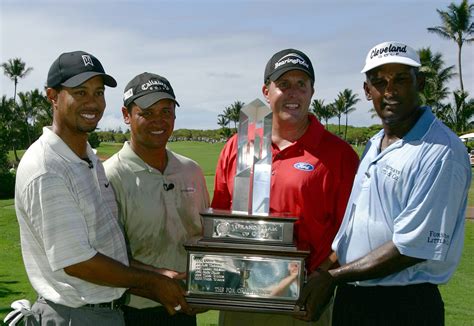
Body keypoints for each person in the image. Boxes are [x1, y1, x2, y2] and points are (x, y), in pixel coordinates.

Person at [296, 41, 471, 326]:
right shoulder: (375, 143)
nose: (390, 90)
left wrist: (332, 278)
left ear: (420, 82)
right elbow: (356, 230)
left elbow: (411, 248)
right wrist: (322, 273)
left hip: (404, 305)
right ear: (367, 91)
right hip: (356, 299)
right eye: (379, 82)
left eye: (401, 79)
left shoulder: (442, 151)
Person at [14, 51, 191, 325]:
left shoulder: (87, 159)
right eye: (80, 92)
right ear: (52, 96)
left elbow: (109, 250)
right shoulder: (47, 168)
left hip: (102, 312)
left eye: (98, 93)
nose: (92, 103)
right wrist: (154, 282)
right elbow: (78, 261)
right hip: (76, 314)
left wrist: (158, 275)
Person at [212, 48, 359, 326]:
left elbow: (351, 232)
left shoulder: (339, 155)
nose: (293, 93)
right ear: (266, 91)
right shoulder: (239, 144)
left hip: (301, 301)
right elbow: (220, 220)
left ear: (312, 91)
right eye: (283, 84)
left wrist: (322, 277)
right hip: (240, 297)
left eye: (301, 85)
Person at [104, 72, 209, 325]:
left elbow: (206, 240)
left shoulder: (191, 171)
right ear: (126, 115)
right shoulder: (110, 176)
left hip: (187, 307)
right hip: (135, 311)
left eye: (166, 111)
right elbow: (107, 259)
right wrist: (157, 284)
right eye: (147, 112)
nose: (158, 120)